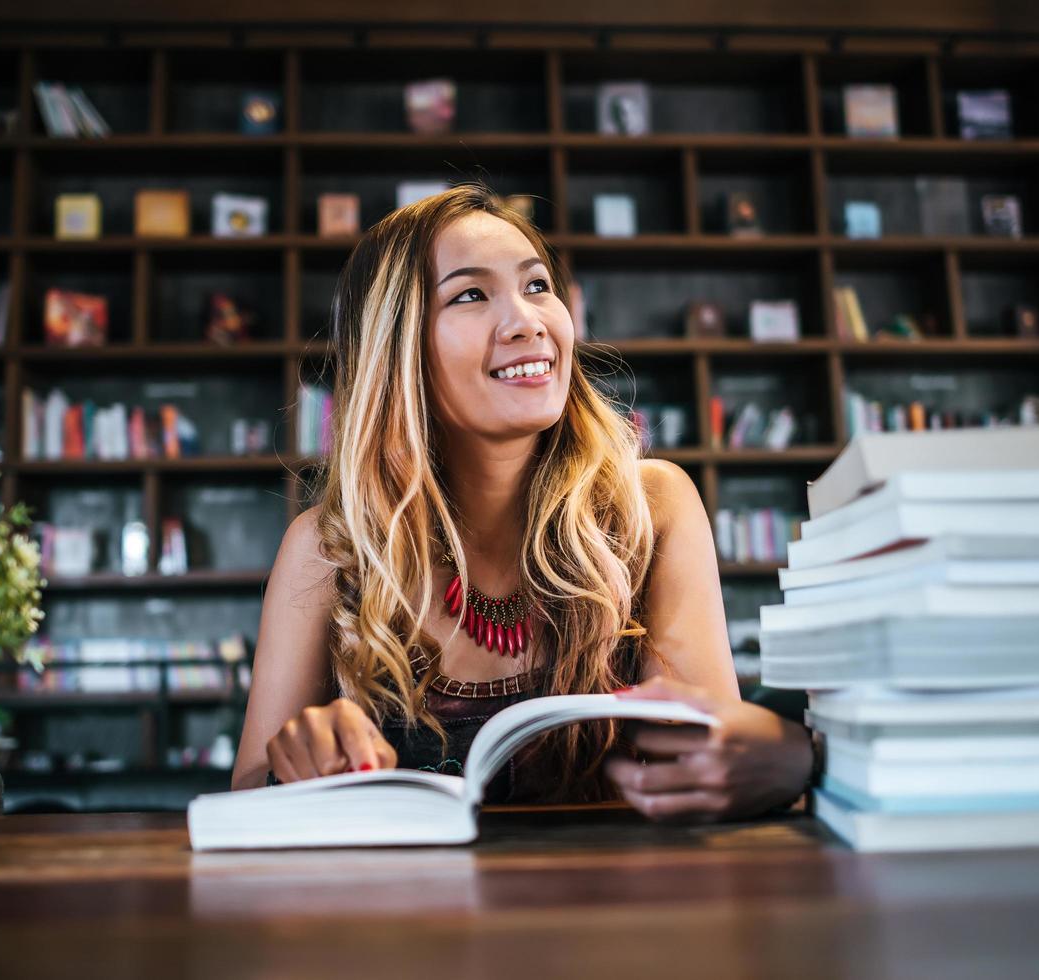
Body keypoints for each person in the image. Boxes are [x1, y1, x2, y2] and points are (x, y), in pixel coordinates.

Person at [232, 183, 814, 820]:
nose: (528, 321)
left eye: (538, 286)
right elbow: (247, 790)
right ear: (400, 351)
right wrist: (297, 762)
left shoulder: (653, 506)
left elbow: (716, 758)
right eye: (472, 295)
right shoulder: (327, 547)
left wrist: (772, 753)